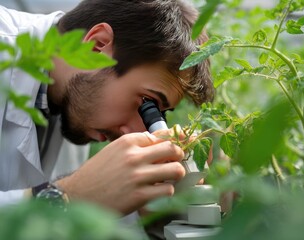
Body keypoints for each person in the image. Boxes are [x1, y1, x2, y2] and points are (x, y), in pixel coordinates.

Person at [0, 0, 214, 216]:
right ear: (97, 45)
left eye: (156, 115)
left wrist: (148, 203)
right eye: (147, 102)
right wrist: (70, 196)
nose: (134, 132)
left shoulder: (77, 100)